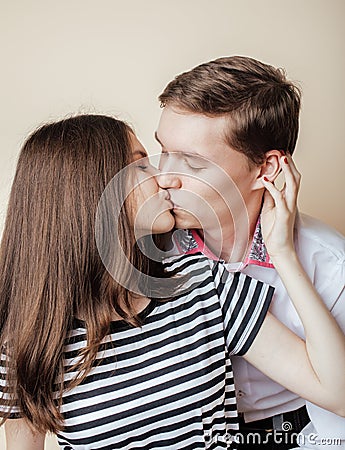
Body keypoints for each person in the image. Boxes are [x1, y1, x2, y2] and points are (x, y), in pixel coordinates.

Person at [0, 114, 344, 450]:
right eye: (143, 165)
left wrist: (281, 252)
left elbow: (337, 393)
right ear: (93, 193)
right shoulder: (26, 338)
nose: (164, 178)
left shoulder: (203, 283)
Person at [156, 55, 345, 449]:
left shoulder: (328, 264)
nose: (164, 177)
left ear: (266, 169)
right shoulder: (149, 249)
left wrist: (284, 257)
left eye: (191, 163)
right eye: (163, 151)